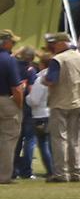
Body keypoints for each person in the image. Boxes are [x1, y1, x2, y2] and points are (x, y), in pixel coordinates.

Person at [40, 32, 80, 183]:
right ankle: (77, 171)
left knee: (59, 139)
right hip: (77, 101)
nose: (52, 47)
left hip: (60, 102)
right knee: (74, 139)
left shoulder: (58, 60)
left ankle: (61, 173)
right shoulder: (79, 56)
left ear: (61, 43)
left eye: (54, 44)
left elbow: (51, 80)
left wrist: (42, 79)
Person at [19, 50, 53, 178]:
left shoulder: (40, 80)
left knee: (32, 142)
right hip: (50, 113)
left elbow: (34, 100)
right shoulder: (56, 78)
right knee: (48, 144)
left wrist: (27, 96)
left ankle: (27, 170)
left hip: (39, 114)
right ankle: (53, 168)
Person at [0, 30, 23, 186]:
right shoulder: (8, 60)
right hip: (5, 100)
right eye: (12, 42)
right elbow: (16, 88)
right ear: (5, 42)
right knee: (8, 139)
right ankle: (3, 176)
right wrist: (19, 104)